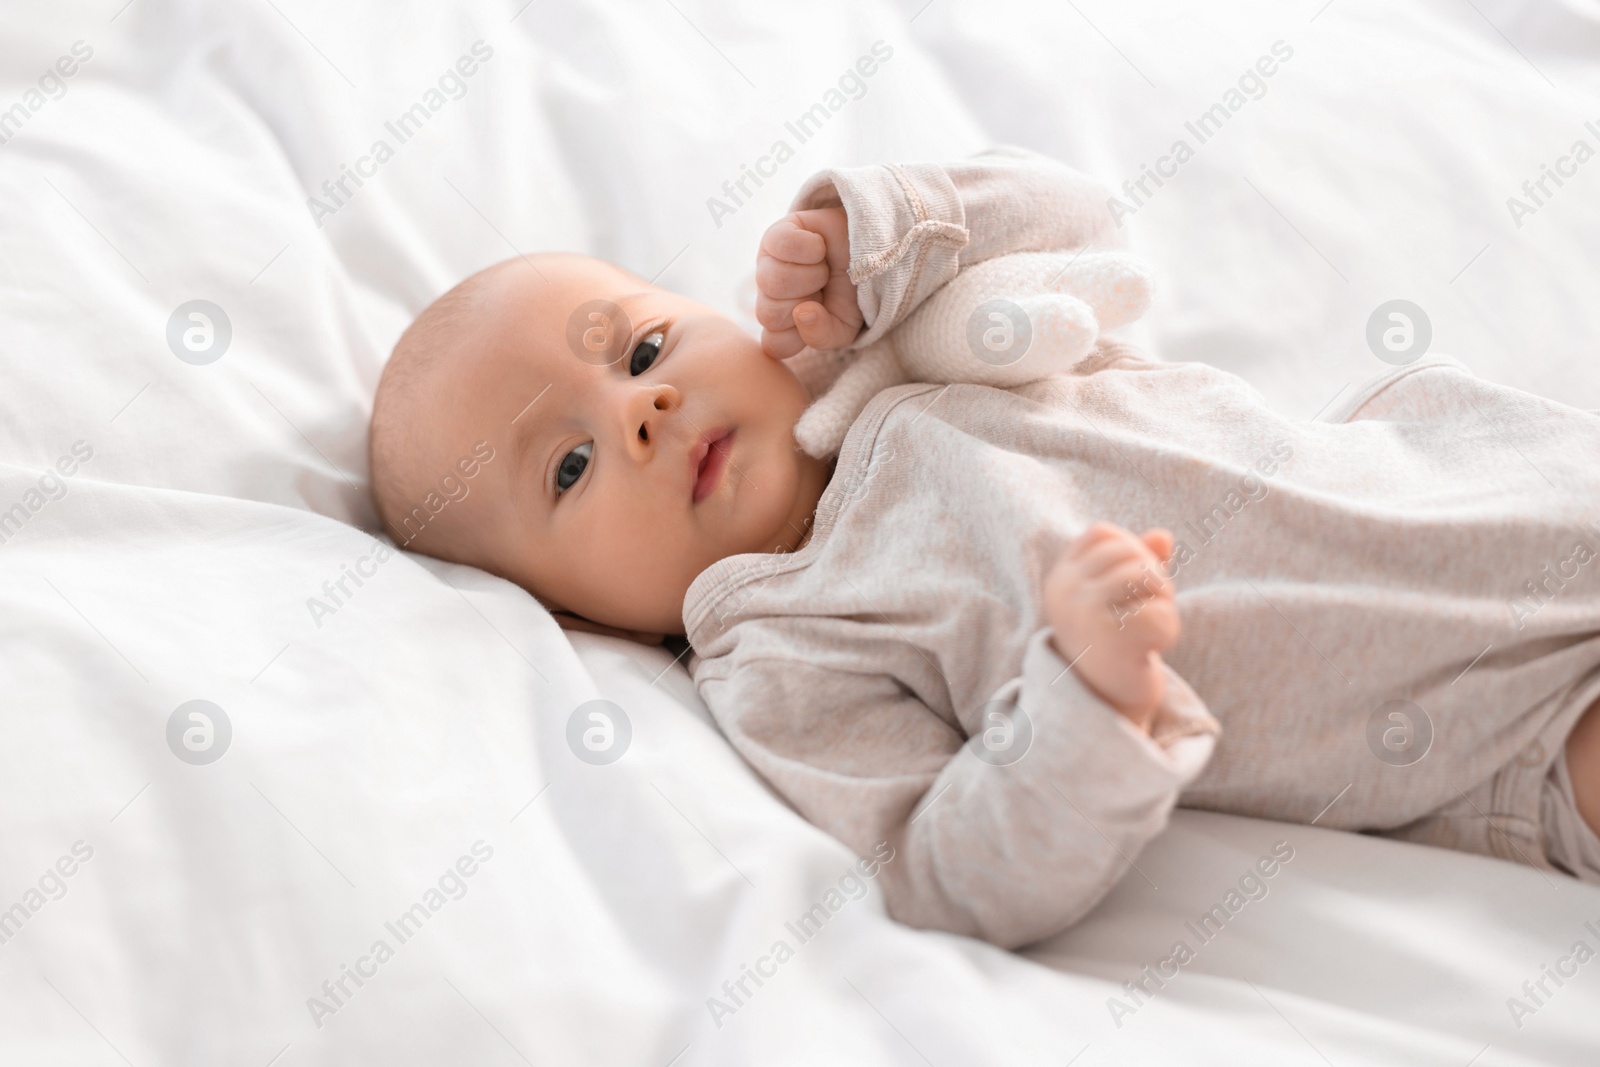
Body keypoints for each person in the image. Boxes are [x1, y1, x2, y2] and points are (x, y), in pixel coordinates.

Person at [368, 146, 1600, 948]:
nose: (640, 410)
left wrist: (885, 231)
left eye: (639, 350)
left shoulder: (890, 337)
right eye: (570, 466)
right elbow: (950, 868)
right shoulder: (785, 646)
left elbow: (1080, 224)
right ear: (576, 618)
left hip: (1485, 482)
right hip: (1488, 715)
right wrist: (1084, 691)